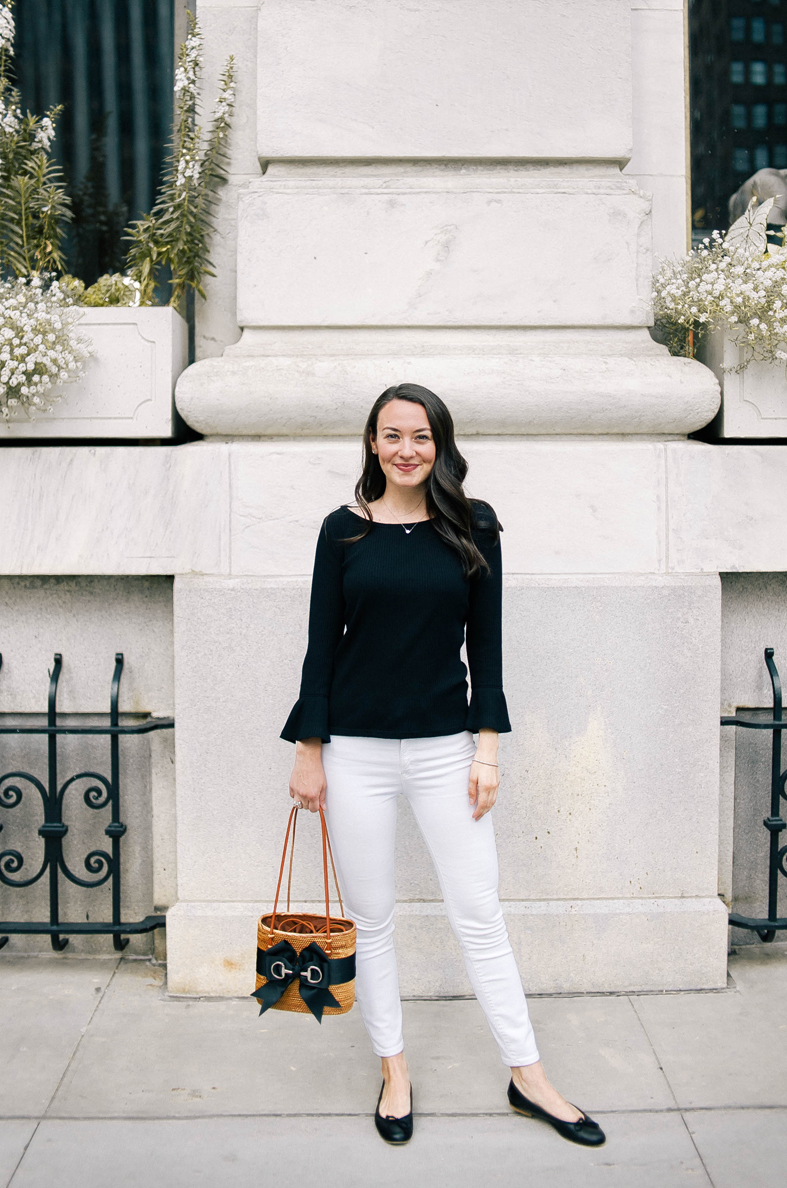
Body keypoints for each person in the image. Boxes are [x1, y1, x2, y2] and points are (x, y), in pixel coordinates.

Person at [281, 384, 605, 1148]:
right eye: (391, 435)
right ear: (371, 443)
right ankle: (394, 1069)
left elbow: (485, 647)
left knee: (479, 914)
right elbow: (320, 646)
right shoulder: (343, 532)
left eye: (419, 436)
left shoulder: (474, 526)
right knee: (373, 921)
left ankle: (528, 1075)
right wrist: (309, 751)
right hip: (354, 751)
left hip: (441, 749)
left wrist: (486, 751)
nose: (405, 449)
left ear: (440, 444)